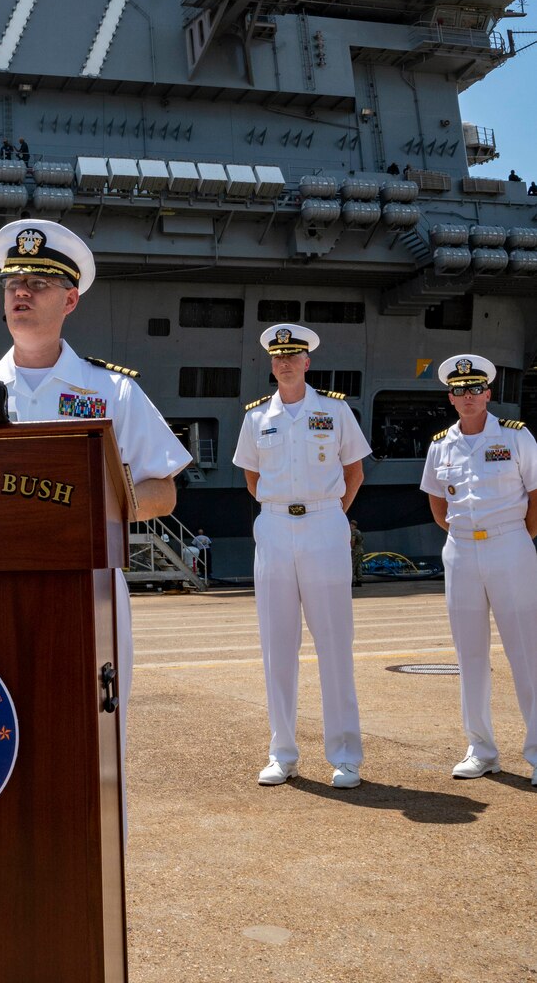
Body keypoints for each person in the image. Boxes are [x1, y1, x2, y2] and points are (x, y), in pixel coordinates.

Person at [0, 220, 192, 767]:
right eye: (13, 282)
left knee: (94, 741)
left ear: (70, 299)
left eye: (40, 283)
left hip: (87, 587)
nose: (21, 292)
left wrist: (97, 512)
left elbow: (164, 490)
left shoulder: (111, 390)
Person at [233, 324, 372, 789]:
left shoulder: (334, 411)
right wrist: (283, 511)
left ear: (307, 362)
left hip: (324, 523)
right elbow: (252, 479)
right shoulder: (256, 418)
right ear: (271, 364)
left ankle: (346, 756)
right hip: (273, 526)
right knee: (277, 645)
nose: (286, 363)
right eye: (278, 357)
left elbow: (354, 473)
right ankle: (282, 752)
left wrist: (329, 514)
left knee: (335, 642)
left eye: (293, 356)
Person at [420, 354, 537, 785]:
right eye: (458, 390)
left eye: (474, 389)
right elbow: (436, 501)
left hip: (510, 545)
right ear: (450, 398)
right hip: (461, 550)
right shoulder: (440, 444)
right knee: (470, 655)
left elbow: (535, 492)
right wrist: (464, 536)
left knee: (526, 651)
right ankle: (481, 749)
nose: (467, 396)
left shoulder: (517, 436)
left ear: (488, 394)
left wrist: (515, 534)